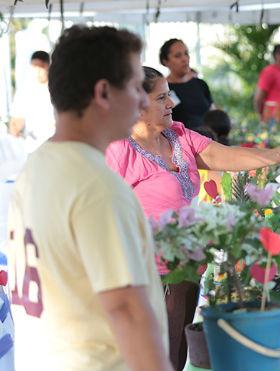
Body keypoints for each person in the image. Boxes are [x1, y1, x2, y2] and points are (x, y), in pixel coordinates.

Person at [106, 66, 280, 370]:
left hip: (187, 266)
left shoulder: (178, 135)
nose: (171, 104)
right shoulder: (118, 149)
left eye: (169, 96)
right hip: (146, 274)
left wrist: (273, 155)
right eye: (161, 98)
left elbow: (223, 155)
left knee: (176, 352)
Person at [7, 26, 172, 371]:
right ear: (103, 92)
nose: (143, 101)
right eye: (134, 86)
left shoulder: (35, 167)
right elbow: (126, 310)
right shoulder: (97, 187)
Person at [160, 38, 214, 131]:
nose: (184, 59)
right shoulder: (163, 90)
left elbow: (212, 111)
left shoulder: (200, 84)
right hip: (180, 142)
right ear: (165, 61)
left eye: (186, 53)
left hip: (208, 141)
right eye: (177, 56)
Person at [8, 50, 55, 153]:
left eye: (41, 67)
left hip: (54, 146)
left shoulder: (57, 89)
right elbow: (15, 123)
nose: (37, 71)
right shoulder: (24, 91)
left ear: (48, 66)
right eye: (34, 67)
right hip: (31, 148)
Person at [254, 44, 280, 126]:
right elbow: (258, 97)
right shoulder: (269, 71)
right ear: (277, 55)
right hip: (273, 119)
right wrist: (261, 116)